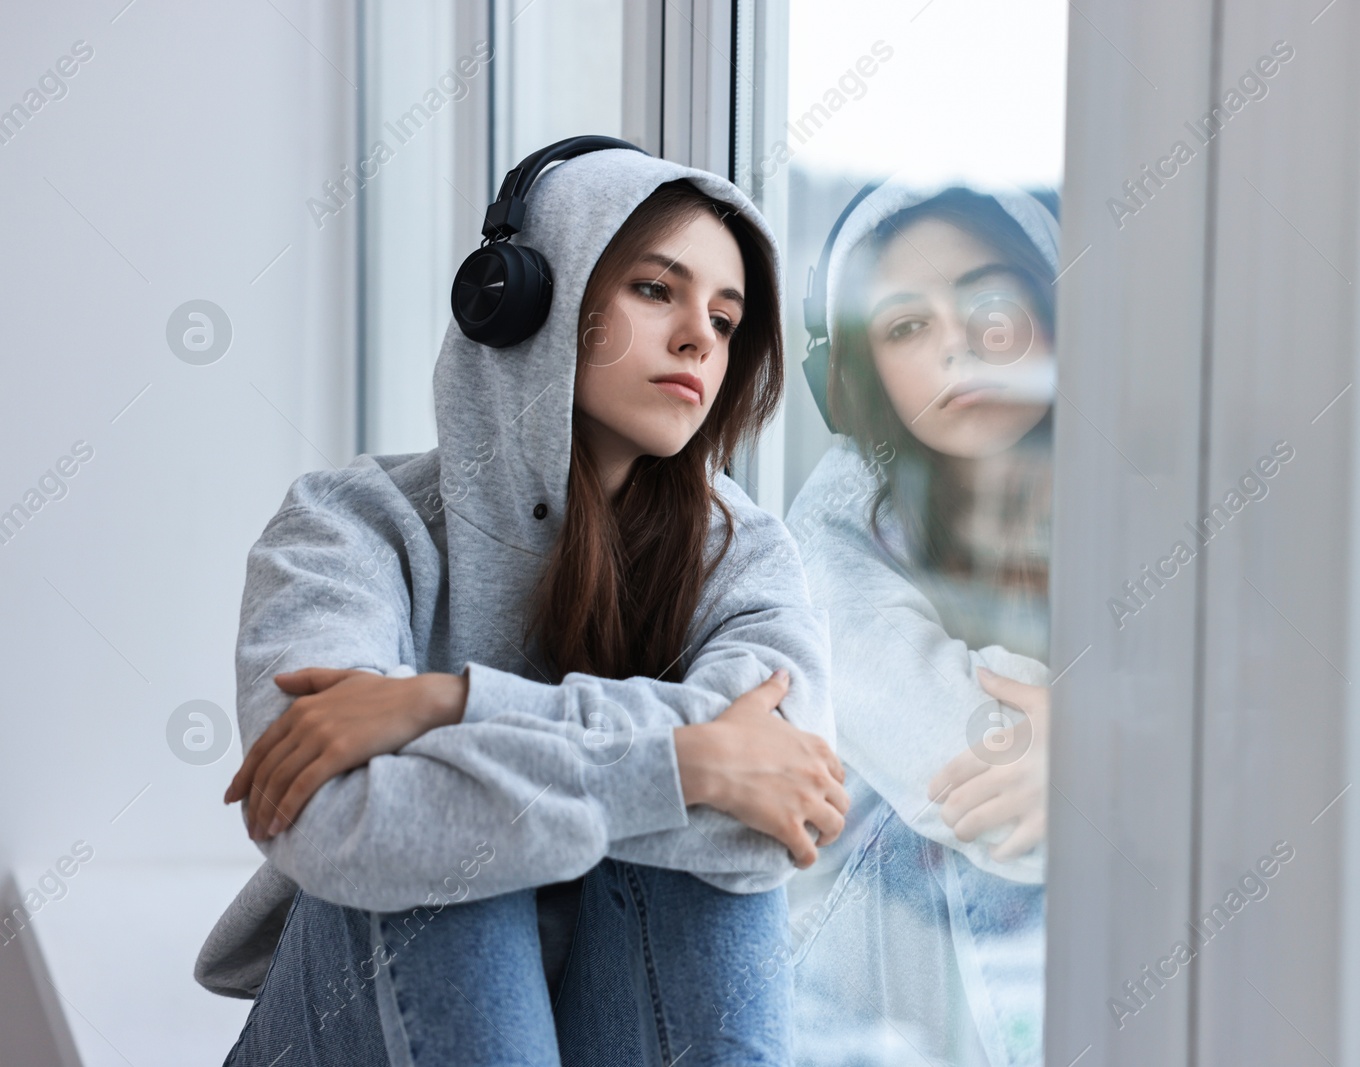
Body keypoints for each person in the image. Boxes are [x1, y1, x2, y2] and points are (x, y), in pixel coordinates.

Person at [193, 140, 848, 1067]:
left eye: (727, 316)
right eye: (657, 290)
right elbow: (343, 820)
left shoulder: (742, 553)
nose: (702, 336)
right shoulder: (348, 528)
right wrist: (687, 759)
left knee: (706, 865)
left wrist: (448, 703)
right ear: (522, 301)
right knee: (454, 855)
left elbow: (780, 816)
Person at [782, 180, 1058, 1066]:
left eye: (989, 299)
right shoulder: (828, 535)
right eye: (906, 325)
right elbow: (977, 776)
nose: (961, 344)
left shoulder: (1153, 490)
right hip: (866, 1022)